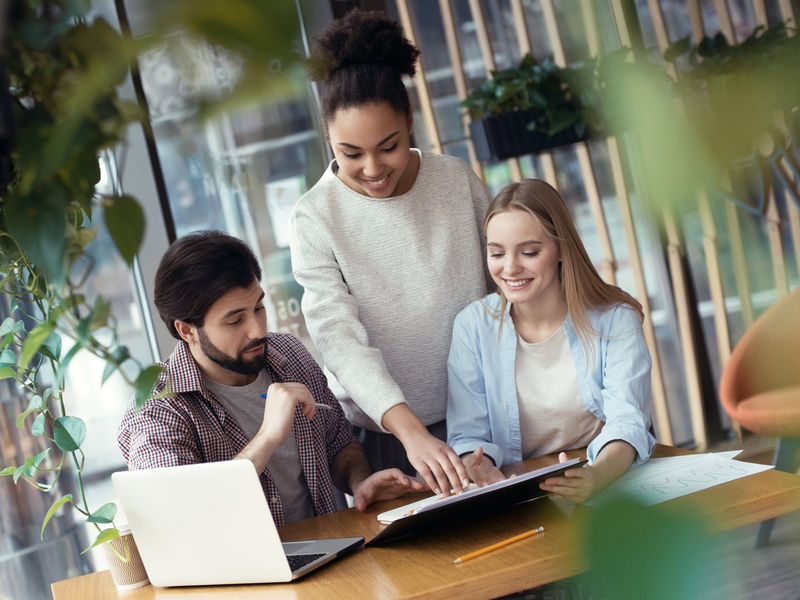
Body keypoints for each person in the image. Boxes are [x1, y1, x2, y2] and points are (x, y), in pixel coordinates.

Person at [289, 9, 492, 496]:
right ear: (328, 139)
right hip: (387, 439)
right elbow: (339, 340)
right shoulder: (314, 217)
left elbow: (504, 286)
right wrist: (412, 433)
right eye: (351, 153)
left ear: (410, 123)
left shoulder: (455, 180)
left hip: (485, 422)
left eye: (389, 146)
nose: (373, 168)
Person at [117, 231, 425, 526]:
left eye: (259, 308)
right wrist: (267, 437)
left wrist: (360, 482)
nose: (258, 330)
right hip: (239, 576)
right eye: (235, 320)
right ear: (187, 331)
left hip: (333, 550)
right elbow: (178, 516)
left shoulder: (288, 354)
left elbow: (339, 444)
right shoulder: (157, 408)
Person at [446, 179, 655, 503]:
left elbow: (627, 422)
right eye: (497, 253)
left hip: (607, 479)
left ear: (561, 248)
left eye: (529, 252)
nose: (510, 268)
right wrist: (479, 467)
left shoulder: (616, 317)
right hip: (520, 492)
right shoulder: (473, 326)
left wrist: (595, 476)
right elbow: (468, 435)